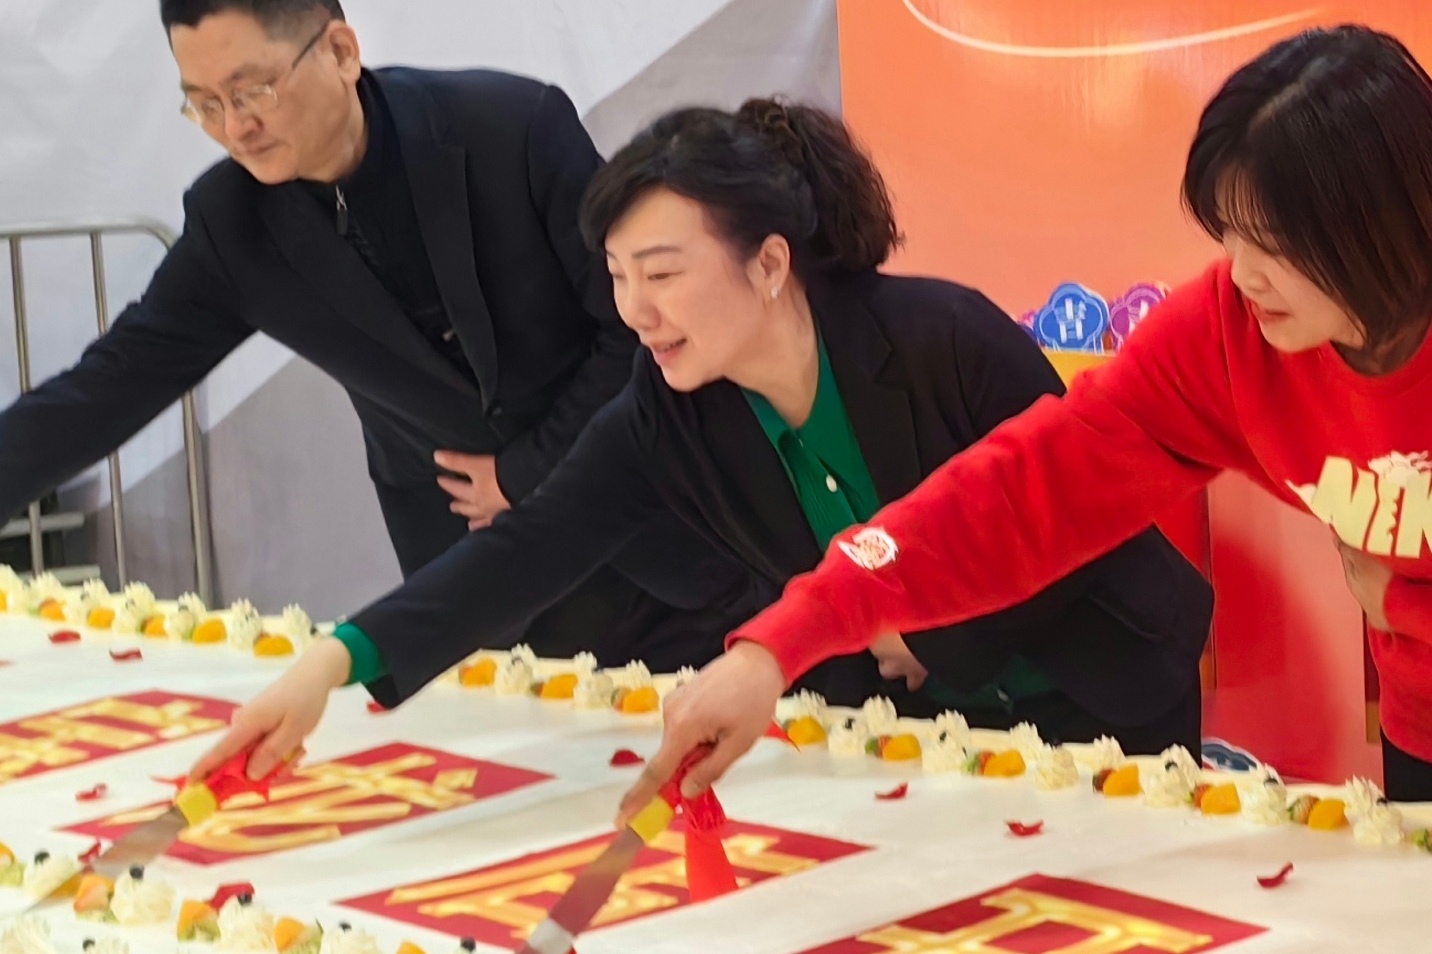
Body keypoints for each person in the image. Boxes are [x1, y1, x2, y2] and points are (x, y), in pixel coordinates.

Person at [192, 97, 1212, 783]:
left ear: (768, 264)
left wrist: (920, 628)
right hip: (919, 734)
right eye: (618, 277)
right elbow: (530, 545)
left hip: (1098, 691)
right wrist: (332, 663)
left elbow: (1071, 523)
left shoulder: (943, 338)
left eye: (664, 274)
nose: (635, 310)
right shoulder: (672, 406)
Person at [622, 24, 1432, 815]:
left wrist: (1399, 606)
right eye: (1231, 236)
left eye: (1276, 243)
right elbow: (1007, 496)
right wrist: (779, 644)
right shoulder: (1228, 334)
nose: (1246, 274)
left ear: (1389, 220)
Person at [0, 0, 758, 664]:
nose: (235, 127)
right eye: (203, 104)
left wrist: (525, 471)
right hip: (483, 593)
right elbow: (106, 388)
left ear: (339, 51)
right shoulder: (234, 227)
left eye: (252, 90)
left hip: (670, 543)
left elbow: (638, 331)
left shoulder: (510, 128)